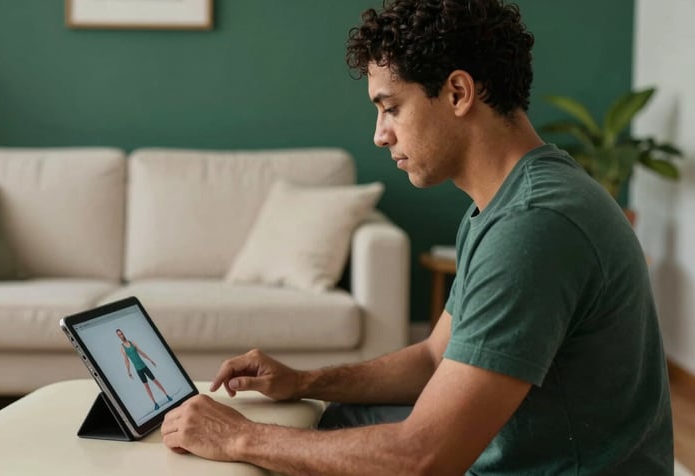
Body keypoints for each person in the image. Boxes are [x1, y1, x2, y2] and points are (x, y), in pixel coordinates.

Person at [161, 0, 674, 473]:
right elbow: (434, 357)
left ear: (457, 93)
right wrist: (304, 382)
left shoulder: (535, 224)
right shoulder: (506, 203)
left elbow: (423, 458)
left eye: (390, 107)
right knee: (331, 420)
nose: (380, 134)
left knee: (273, 456)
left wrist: (240, 438)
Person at [116, 328, 172, 411]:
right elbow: (126, 360)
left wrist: (150, 360)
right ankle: (155, 403)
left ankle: (167, 395)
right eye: (119, 335)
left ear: (123, 334)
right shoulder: (122, 348)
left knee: (155, 381)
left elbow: (141, 352)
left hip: (144, 367)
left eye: (121, 334)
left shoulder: (132, 342)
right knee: (146, 386)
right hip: (138, 370)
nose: (121, 335)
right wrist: (128, 371)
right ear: (118, 337)